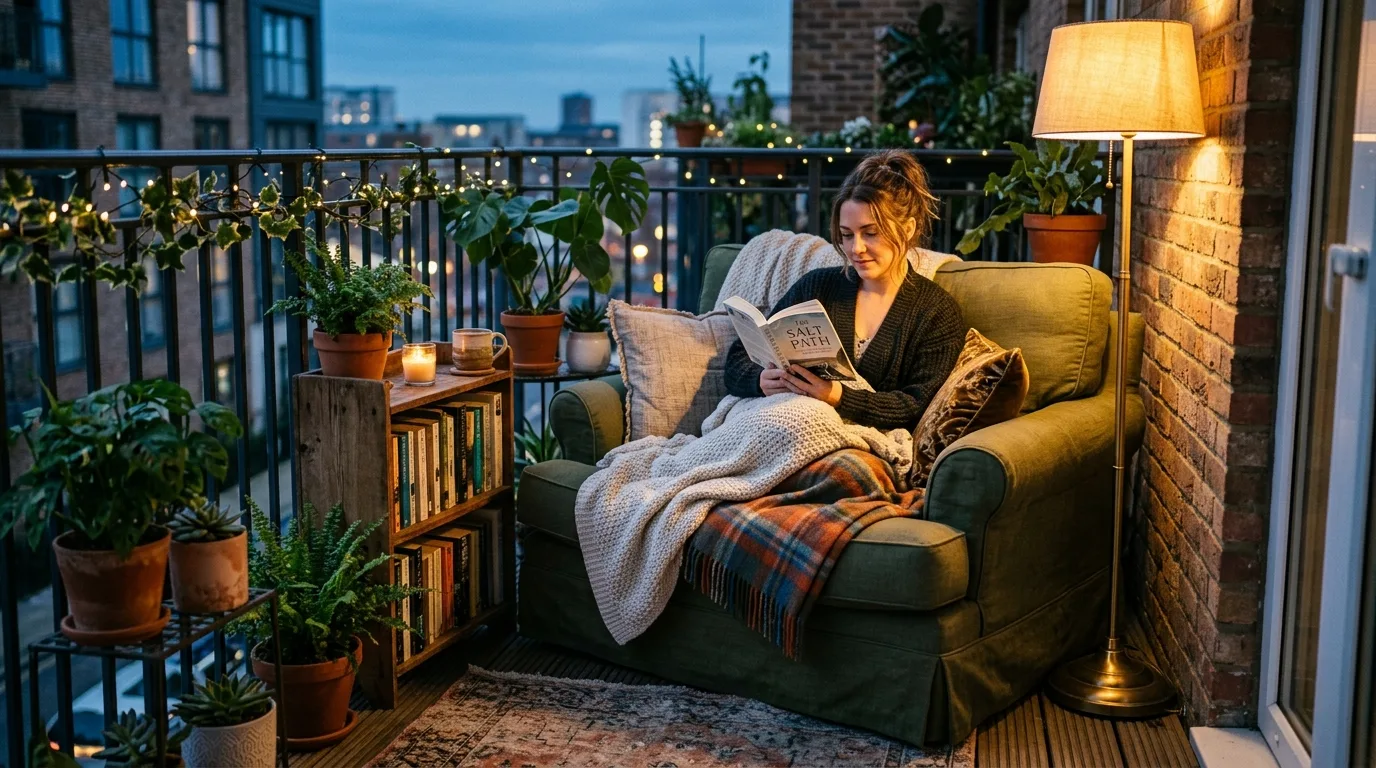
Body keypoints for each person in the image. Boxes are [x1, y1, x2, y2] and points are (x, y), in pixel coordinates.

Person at [723, 150, 967, 430]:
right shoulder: (818, 286)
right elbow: (737, 360)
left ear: (908, 228)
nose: (856, 249)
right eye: (847, 235)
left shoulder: (936, 312)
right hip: (783, 423)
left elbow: (916, 405)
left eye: (871, 233)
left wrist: (837, 396)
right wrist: (759, 380)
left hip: (857, 441)